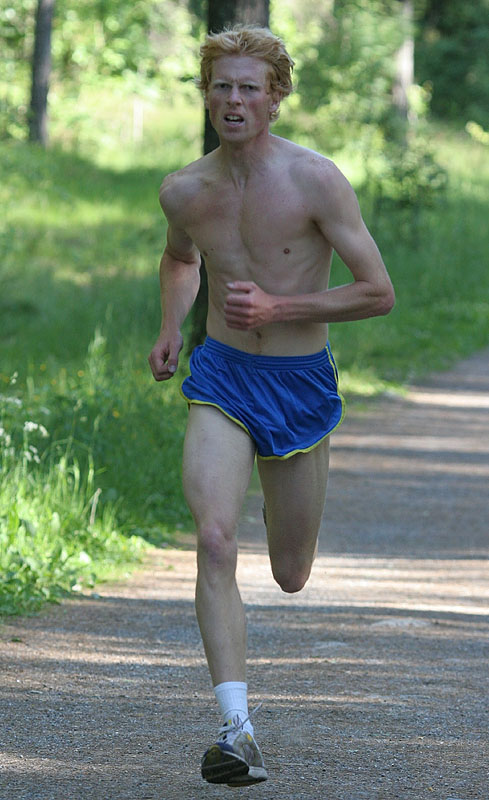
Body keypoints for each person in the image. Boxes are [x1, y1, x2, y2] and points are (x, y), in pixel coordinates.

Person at [148, 25, 395, 787]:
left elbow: (377, 293)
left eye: (248, 87)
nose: (233, 100)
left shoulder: (316, 180)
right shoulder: (184, 189)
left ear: (276, 96)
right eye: (221, 85)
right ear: (206, 94)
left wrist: (281, 308)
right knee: (214, 539)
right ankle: (236, 730)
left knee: (290, 572)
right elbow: (180, 258)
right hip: (221, 377)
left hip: (297, 383)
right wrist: (170, 327)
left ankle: (277, 503)